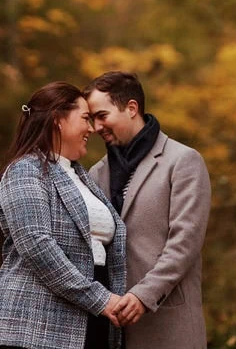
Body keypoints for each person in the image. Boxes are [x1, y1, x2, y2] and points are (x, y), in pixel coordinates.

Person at [0, 81, 127, 349]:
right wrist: (100, 298)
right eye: (85, 118)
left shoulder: (81, 176)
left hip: (90, 320)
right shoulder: (25, 170)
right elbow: (37, 245)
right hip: (34, 326)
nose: (92, 129)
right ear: (58, 119)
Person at [84, 72, 211, 349]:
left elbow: (184, 244)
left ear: (131, 108)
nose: (95, 127)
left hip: (167, 325)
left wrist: (143, 295)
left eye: (102, 115)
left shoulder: (183, 161)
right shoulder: (96, 173)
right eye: (91, 119)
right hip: (111, 328)